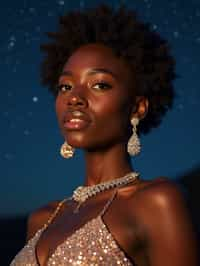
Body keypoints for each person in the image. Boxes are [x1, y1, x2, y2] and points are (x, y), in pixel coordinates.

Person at [11, 4, 198, 266]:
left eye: (99, 84)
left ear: (137, 107)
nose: (74, 98)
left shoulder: (157, 202)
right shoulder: (42, 219)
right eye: (65, 86)